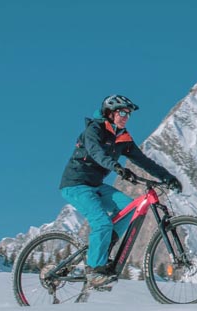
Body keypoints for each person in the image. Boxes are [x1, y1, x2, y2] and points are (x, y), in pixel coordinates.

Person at [59, 95, 183, 292]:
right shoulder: (94, 130)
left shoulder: (122, 137)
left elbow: (143, 161)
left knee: (129, 207)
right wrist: (116, 167)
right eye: (122, 112)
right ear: (110, 113)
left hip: (96, 185)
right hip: (76, 185)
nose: (126, 117)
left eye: (129, 114)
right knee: (101, 222)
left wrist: (167, 177)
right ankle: (94, 270)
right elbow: (96, 153)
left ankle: (104, 247)